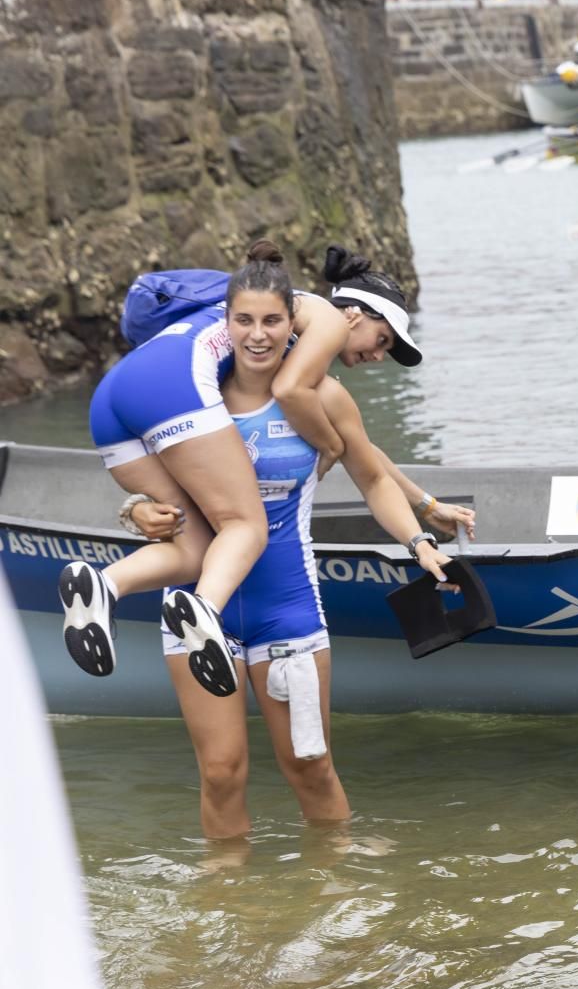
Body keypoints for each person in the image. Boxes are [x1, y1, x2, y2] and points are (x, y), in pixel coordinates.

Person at [118, 244, 457, 837]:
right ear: (228, 324)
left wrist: (419, 540)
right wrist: (135, 510)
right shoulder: (200, 389)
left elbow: (372, 474)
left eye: (271, 321)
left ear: (289, 321)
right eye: (246, 322)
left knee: (311, 766)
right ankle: (230, 909)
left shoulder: (324, 397)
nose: (258, 335)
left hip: (286, 609)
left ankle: (336, 899)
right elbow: (144, 482)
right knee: (221, 773)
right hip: (198, 608)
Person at [63, 241, 423, 687]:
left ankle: (104, 586)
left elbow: (364, 452)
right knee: (246, 525)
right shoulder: (327, 320)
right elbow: (292, 391)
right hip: (173, 381)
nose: (377, 355)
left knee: (194, 548)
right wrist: (328, 445)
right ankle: (205, 611)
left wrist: (423, 503)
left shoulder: (249, 322)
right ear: (353, 315)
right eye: (381, 340)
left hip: (112, 398)